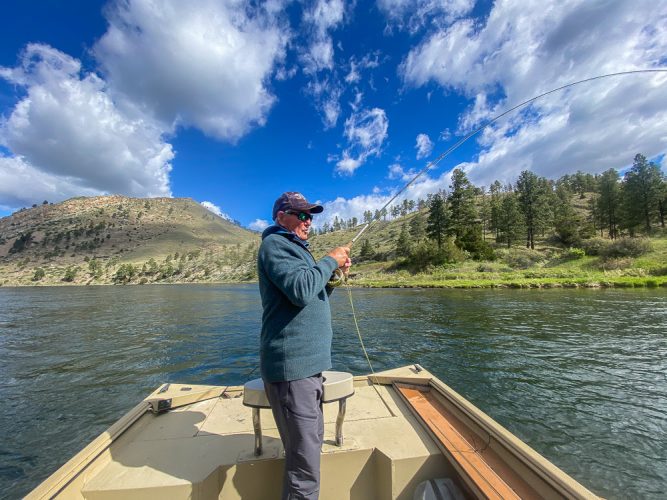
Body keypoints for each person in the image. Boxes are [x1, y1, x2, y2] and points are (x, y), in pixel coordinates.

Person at [257, 191, 351, 500]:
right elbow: (299, 289)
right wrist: (329, 260)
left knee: (308, 451)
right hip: (292, 373)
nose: (308, 221)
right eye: (302, 214)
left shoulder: (296, 250)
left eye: (310, 216)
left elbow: (311, 295)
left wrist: (334, 276)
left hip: (308, 371)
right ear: (281, 216)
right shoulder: (275, 245)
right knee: (304, 468)